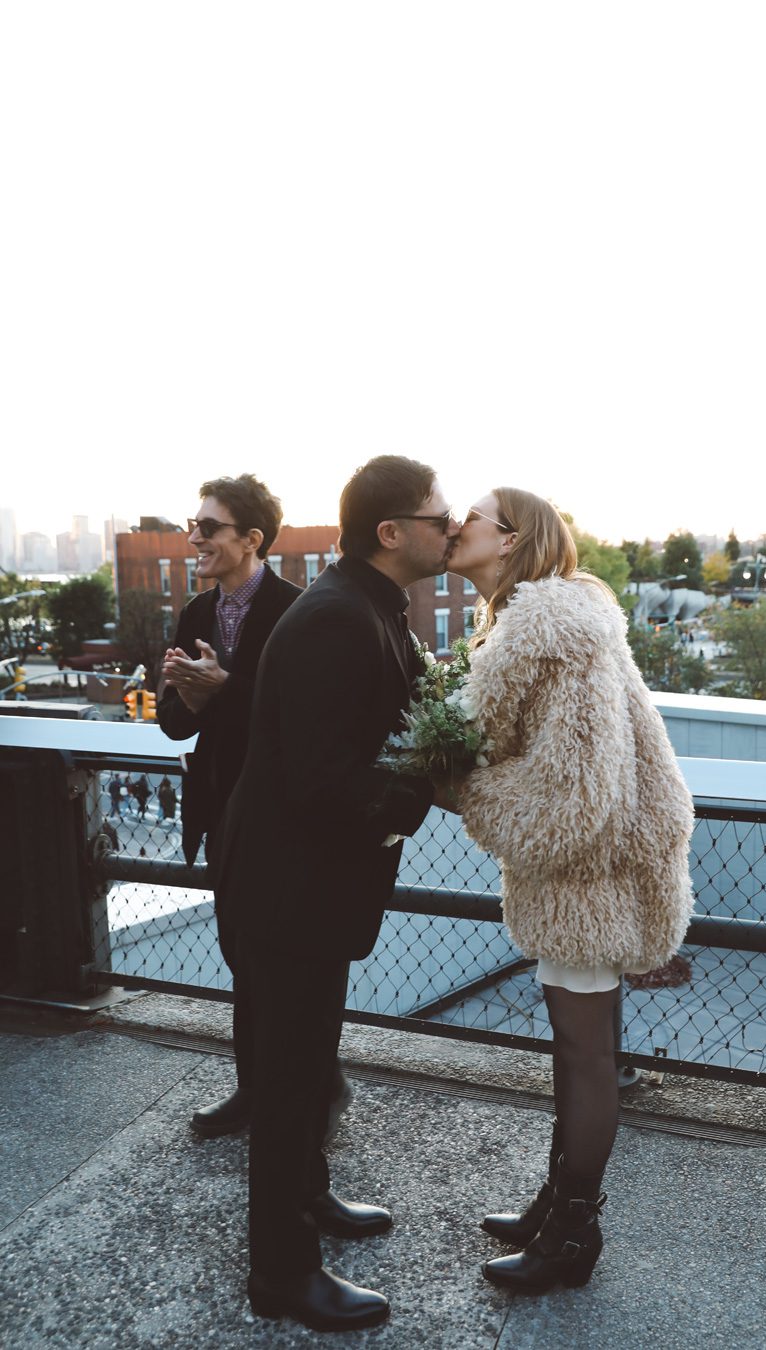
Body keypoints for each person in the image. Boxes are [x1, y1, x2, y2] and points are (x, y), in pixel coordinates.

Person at [214, 455, 457, 1331]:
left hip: (308, 889)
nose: (452, 527)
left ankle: (310, 1197)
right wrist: (423, 792)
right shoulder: (336, 619)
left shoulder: (371, 606)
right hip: (288, 893)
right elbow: (322, 779)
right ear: (392, 532)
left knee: (310, 1060)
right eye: (441, 516)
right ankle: (282, 1273)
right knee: (283, 1084)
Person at [444, 489, 694, 1294]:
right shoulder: (540, 625)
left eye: (470, 518)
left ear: (511, 538)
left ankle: (572, 1238)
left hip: (594, 881)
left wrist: (459, 790)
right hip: (590, 876)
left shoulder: (554, 635)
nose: (454, 527)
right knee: (577, 1051)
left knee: (586, 1057)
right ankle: (556, 1203)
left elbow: (575, 792)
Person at [158, 474, 304, 1138]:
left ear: (251, 538)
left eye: (208, 528)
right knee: (239, 955)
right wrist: (188, 698)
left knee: (286, 966)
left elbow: (302, 718)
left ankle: (308, 1095)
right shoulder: (194, 614)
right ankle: (254, 1093)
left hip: (282, 820)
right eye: (194, 526)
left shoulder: (299, 612)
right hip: (222, 816)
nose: (194, 539)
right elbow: (174, 725)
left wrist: (224, 687)